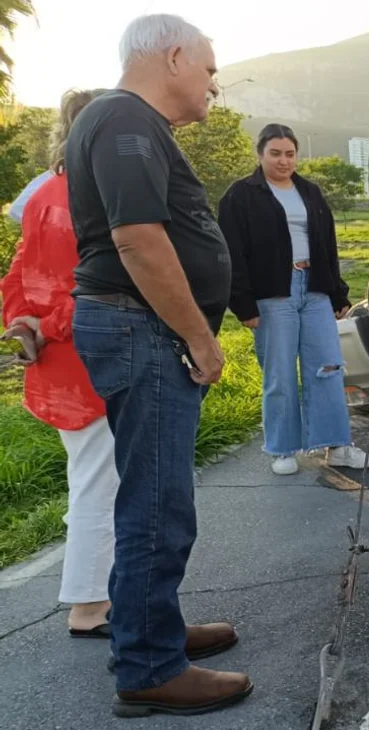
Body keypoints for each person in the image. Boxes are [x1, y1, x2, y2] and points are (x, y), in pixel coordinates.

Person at [65, 14, 251, 717]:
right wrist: (202, 339)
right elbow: (139, 239)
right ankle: (147, 666)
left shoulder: (128, 123)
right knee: (156, 502)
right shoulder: (126, 121)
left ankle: (154, 632)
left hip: (138, 329)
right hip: (143, 330)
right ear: (172, 56)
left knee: (153, 493)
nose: (212, 84)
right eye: (207, 69)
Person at [2, 88, 119, 638]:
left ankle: (97, 589)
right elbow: (94, 289)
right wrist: (47, 325)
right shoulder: (91, 197)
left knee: (88, 476)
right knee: (102, 482)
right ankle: (89, 604)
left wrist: (24, 324)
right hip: (89, 359)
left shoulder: (44, 192)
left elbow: (16, 279)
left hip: (53, 366)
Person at [217, 123, 369, 475]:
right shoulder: (240, 196)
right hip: (273, 293)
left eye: (289, 154)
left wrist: (337, 293)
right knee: (279, 374)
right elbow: (231, 252)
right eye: (275, 153)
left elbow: (327, 246)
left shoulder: (310, 192)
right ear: (260, 155)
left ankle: (337, 445)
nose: (283, 160)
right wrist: (241, 303)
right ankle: (283, 449)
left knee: (328, 368)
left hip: (315, 288)